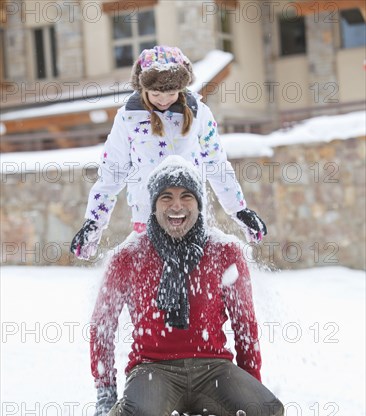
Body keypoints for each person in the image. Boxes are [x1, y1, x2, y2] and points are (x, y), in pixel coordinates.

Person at [77, 155, 293, 416]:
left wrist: (250, 387)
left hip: (214, 368)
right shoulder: (129, 255)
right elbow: (102, 327)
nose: (176, 206)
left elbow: (245, 326)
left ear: (199, 204)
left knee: (269, 411)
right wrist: (105, 398)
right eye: (166, 197)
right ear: (153, 205)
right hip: (154, 368)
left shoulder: (225, 252)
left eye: (185, 197)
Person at [70, 45, 267, 260]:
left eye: (171, 94)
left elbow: (216, 163)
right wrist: (94, 222)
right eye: (155, 94)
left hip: (190, 215)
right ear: (142, 88)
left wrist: (238, 209)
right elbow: (112, 172)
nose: (163, 101)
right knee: (151, 279)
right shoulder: (128, 117)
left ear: (182, 89)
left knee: (195, 276)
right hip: (147, 217)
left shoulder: (199, 113)